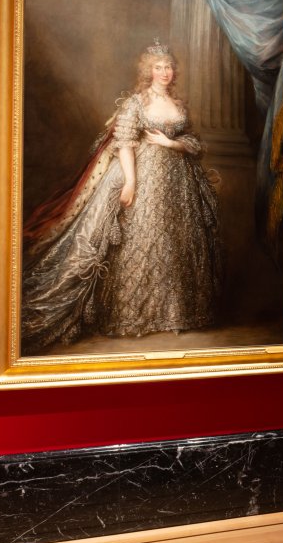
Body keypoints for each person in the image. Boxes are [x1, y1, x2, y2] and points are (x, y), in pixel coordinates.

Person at [20, 40, 222, 353]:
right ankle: (135, 318)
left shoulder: (180, 105)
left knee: (178, 241)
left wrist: (171, 145)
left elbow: (194, 144)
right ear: (148, 70)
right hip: (145, 179)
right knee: (144, 239)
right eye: (158, 67)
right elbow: (125, 143)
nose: (164, 72)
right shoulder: (136, 103)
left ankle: (177, 314)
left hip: (180, 184)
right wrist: (130, 182)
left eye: (168, 66)